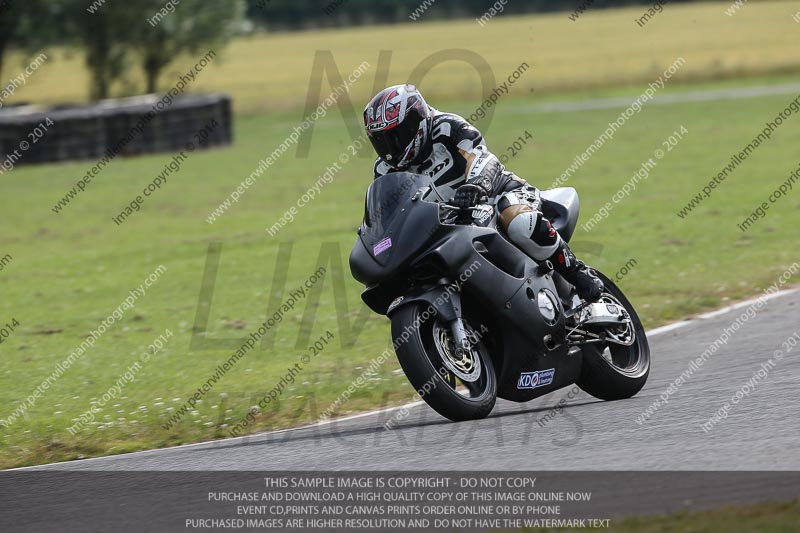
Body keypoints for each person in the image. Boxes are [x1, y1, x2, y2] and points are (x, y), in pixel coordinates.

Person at [363, 84, 604, 301]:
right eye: (382, 140)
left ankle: (577, 272)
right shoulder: (384, 168)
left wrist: (477, 185)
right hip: (450, 223)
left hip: (498, 194)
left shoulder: (446, 127)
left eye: (396, 135)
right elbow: (390, 206)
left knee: (519, 222)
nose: (390, 147)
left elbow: (481, 156)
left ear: (417, 119)